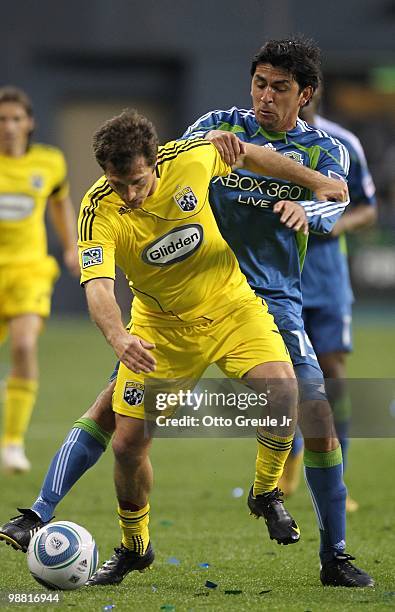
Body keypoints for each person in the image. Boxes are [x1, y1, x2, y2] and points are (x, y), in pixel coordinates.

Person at [0, 107, 348, 587]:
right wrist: (119, 336)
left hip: (231, 307)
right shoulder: (97, 209)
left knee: (284, 391)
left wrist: (317, 182)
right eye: (118, 183)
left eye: (138, 182)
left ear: (156, 162)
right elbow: (98, 287)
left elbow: (254, 156)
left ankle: (266, 492)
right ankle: (135, 546)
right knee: (126, 444)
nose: (130, 194)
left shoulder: (192, 157)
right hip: (160, 329)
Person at [281, 85, 377, 510]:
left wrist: (335, 224)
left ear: (308, 97)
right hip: (281, 277)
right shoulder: (264, 144)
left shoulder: (343, 144)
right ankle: (288, 460)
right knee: (283, 379)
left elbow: (368, 208)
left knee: (333, 376)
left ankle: (340, 478)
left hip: (326, 278)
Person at [0, 86, 79, 473]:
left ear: (29, 123)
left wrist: (71, 247)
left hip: (29, 270)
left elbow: (60, 203)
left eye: (16, 119)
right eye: (2, 120)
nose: (9, 127)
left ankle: (12, 443)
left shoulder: (49, 162)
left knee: (24, 346)